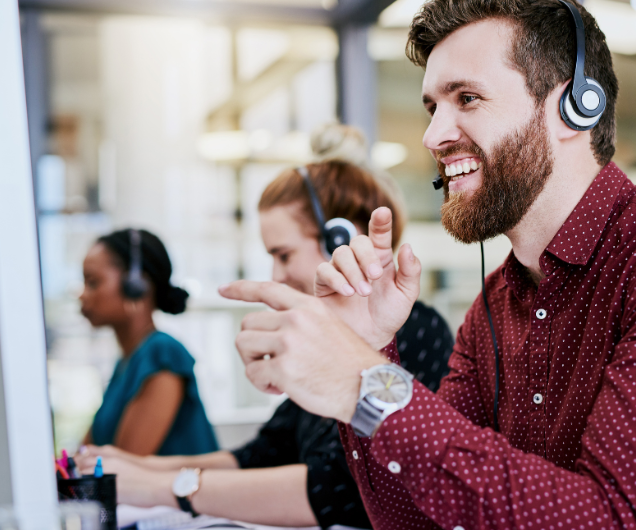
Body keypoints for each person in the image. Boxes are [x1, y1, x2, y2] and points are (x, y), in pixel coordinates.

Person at [222, 0, 636, 530]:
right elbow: (417, 522)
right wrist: (373, 353)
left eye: (466, 98)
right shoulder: (495, 306)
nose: (432, 136)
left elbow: (609, 520)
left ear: (575, 107)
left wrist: (366, 383)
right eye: (432, 108)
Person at [77, 159, 453, 529]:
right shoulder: (330, 342)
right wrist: (130, 467)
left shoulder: (412, 330)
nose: (276, 275)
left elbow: (334, 489)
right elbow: (260, 455)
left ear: (340, 241)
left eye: (283, 254)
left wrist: (162, 486)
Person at [80, 229, 217, 456]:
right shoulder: (127, 361)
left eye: (93, 282)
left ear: (136, 285)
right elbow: (85, 454)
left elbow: (123, 467)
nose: (83, 295)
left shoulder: (161, 353)